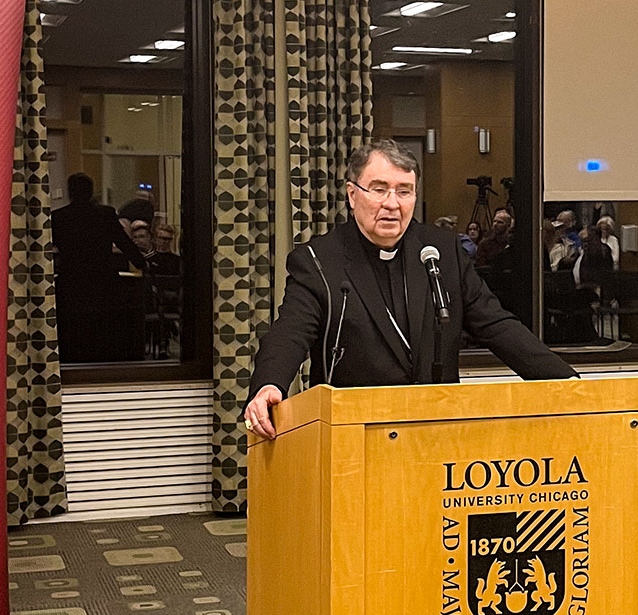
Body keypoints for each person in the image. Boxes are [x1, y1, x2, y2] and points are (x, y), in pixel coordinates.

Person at [243, 140, 577, 439]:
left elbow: (497, 325)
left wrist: (568, 384)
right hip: (355, 433)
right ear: (351, 193)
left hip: (436, 430)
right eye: (379, 189)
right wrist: (270, 384)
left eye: (404, 191)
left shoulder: (442, 252)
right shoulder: (319, 260)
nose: (392, 203)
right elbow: (289, 333)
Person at [52, 173, 148, 361]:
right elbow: (123, 243)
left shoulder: (58, 217)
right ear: (90, 192)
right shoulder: (105, 214)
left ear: (70, 192)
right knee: (102, 329)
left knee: (74, 330)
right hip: (102, 280)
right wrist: (141, 262)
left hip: (72, 282)